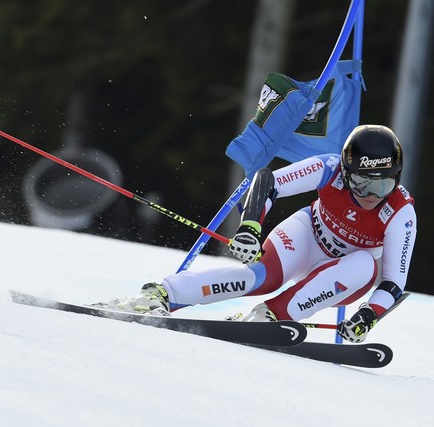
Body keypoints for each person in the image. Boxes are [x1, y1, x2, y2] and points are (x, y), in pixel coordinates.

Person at [105, 124, 417, 343]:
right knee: (260, 278)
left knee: (365, 263)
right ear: (348, 172)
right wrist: (250, 228)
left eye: (383, 183)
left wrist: (369, 314)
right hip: (309, 235)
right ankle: (162, 294)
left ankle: (270, 316)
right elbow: (269, 182)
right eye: (363, 183)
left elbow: (393, 282)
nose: (372, 194)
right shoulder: (330, 168)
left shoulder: (400, 213)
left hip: (346, 273)